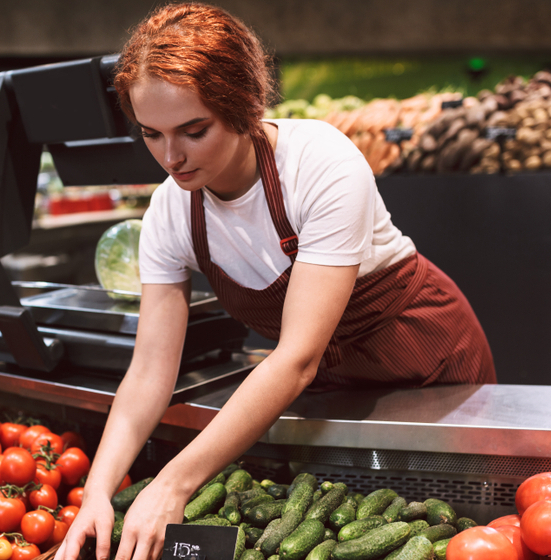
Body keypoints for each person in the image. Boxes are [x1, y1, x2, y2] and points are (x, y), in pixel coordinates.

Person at [56, 4, 496, 560]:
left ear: (245, 107)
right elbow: (148, 372)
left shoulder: (320, 163)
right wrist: (97, 490)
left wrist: (174, 483)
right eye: (152, 134)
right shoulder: (170, 213)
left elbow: (294, 358)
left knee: (462, 525)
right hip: (331, 391)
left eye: (194, 131)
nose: (171, 157)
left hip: (430, 365)